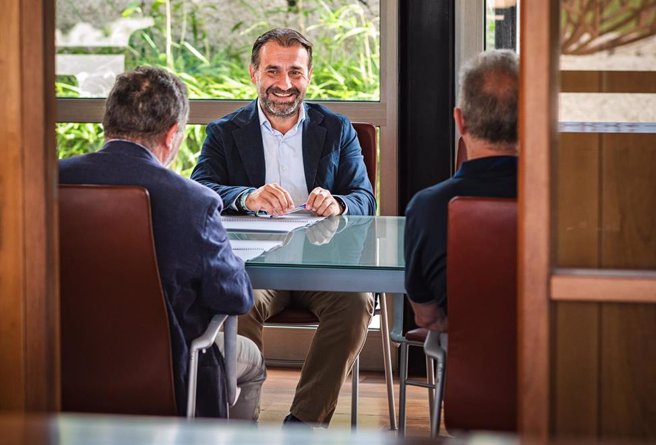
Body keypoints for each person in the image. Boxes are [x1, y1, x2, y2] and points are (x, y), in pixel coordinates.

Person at [191, 28, 376, 427]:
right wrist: (246, 196)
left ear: (308, 75)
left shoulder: (338, 129)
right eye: (273, 71)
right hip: (257, 266)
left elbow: (365, 197)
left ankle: (305, 425)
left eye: (295, 72)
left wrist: (338, 202)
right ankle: (242, 423)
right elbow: (200, 189)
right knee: (235, 304)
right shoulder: (224, 132)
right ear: (253, 73)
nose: (284, 84)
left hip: (324, 264)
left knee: (358, 302)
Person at [59, 66, 266, 420]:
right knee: (252, 361)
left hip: (58, 363)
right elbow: (235, 297)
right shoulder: (192, 202)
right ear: (172, 136)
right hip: (168, 373)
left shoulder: (48, 181)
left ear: (107, 124)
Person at [404, 50, 519, 332]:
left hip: (469, 370)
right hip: (561, 370)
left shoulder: (428, 207)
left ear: (460, 120)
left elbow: (426, 317)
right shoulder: (566, 201)